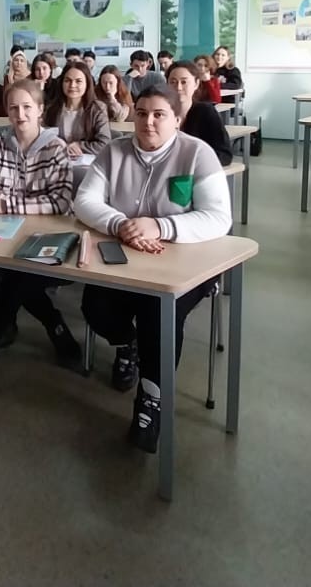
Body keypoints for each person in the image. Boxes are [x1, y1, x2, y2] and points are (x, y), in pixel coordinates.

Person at [76, 85, 233, 453]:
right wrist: (120, 224)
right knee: (95, 306)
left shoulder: (198, 154)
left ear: (177, 119)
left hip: (185, 260)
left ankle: (152, 396)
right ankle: (126, 343)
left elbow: (218, 218)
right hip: (126, 254)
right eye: (142, 113)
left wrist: (160, 226)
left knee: (158, 312)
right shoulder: (114, 152)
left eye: (159, 114)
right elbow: (84, 200)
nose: (148, 121)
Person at [0, 79, 79, 379]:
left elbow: (60, 202)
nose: (20, 114)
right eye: (13, 108)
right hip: (2, 232)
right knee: (7, 267)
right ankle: (53, 322)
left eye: (27, 107)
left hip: (48, 236)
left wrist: (6, 203)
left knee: (16, 273)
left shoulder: (56, 148)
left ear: (40, 110)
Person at [165, 60, 233, 166]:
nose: (178, 87)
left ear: (196, 84)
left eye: (184, 82)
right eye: (173, 82)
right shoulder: (161, 112)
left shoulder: (206, 111)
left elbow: (224, 154)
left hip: (195, 170)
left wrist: (191, 162)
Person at [44, 63, 112, 158]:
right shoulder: (52, 108)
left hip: (86, 161)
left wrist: (80, 146)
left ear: (87, 83)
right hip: (57, 160)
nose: (72, 85)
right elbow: (44, 138)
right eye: (67, 80)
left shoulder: (97, 109)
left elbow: (104, 143)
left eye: (78, 81)